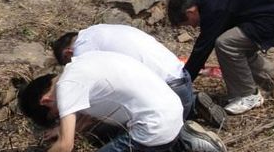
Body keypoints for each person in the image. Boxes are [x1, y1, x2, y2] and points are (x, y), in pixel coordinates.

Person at [16, 51, 226, 152]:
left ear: (45, 101)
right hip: (172, 110)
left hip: (155, 128)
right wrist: (63, 127)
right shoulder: (81, 62)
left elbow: (65, 146)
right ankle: (185, 139)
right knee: (107, 131)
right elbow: (86, 113)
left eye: (55, 114)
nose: (61, 115)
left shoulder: (66, 88)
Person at [52, 24, 227, 127]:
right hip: (182, 76)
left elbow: (87, 95)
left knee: (118, 128)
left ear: (68, 52)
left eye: (68, 62)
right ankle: (193, 103)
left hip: (169, 91)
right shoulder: (99, 30)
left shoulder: (83, 51)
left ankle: (188, 128)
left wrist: (68, 125)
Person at [168, 0, 274, 115]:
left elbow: (203, 48)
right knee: (238, 45)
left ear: (190, 12)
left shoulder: (214, 6)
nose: (192, 27)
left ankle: (247, 95)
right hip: (272, 11)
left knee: (226, 44)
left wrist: (183, 84)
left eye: (187, 23)